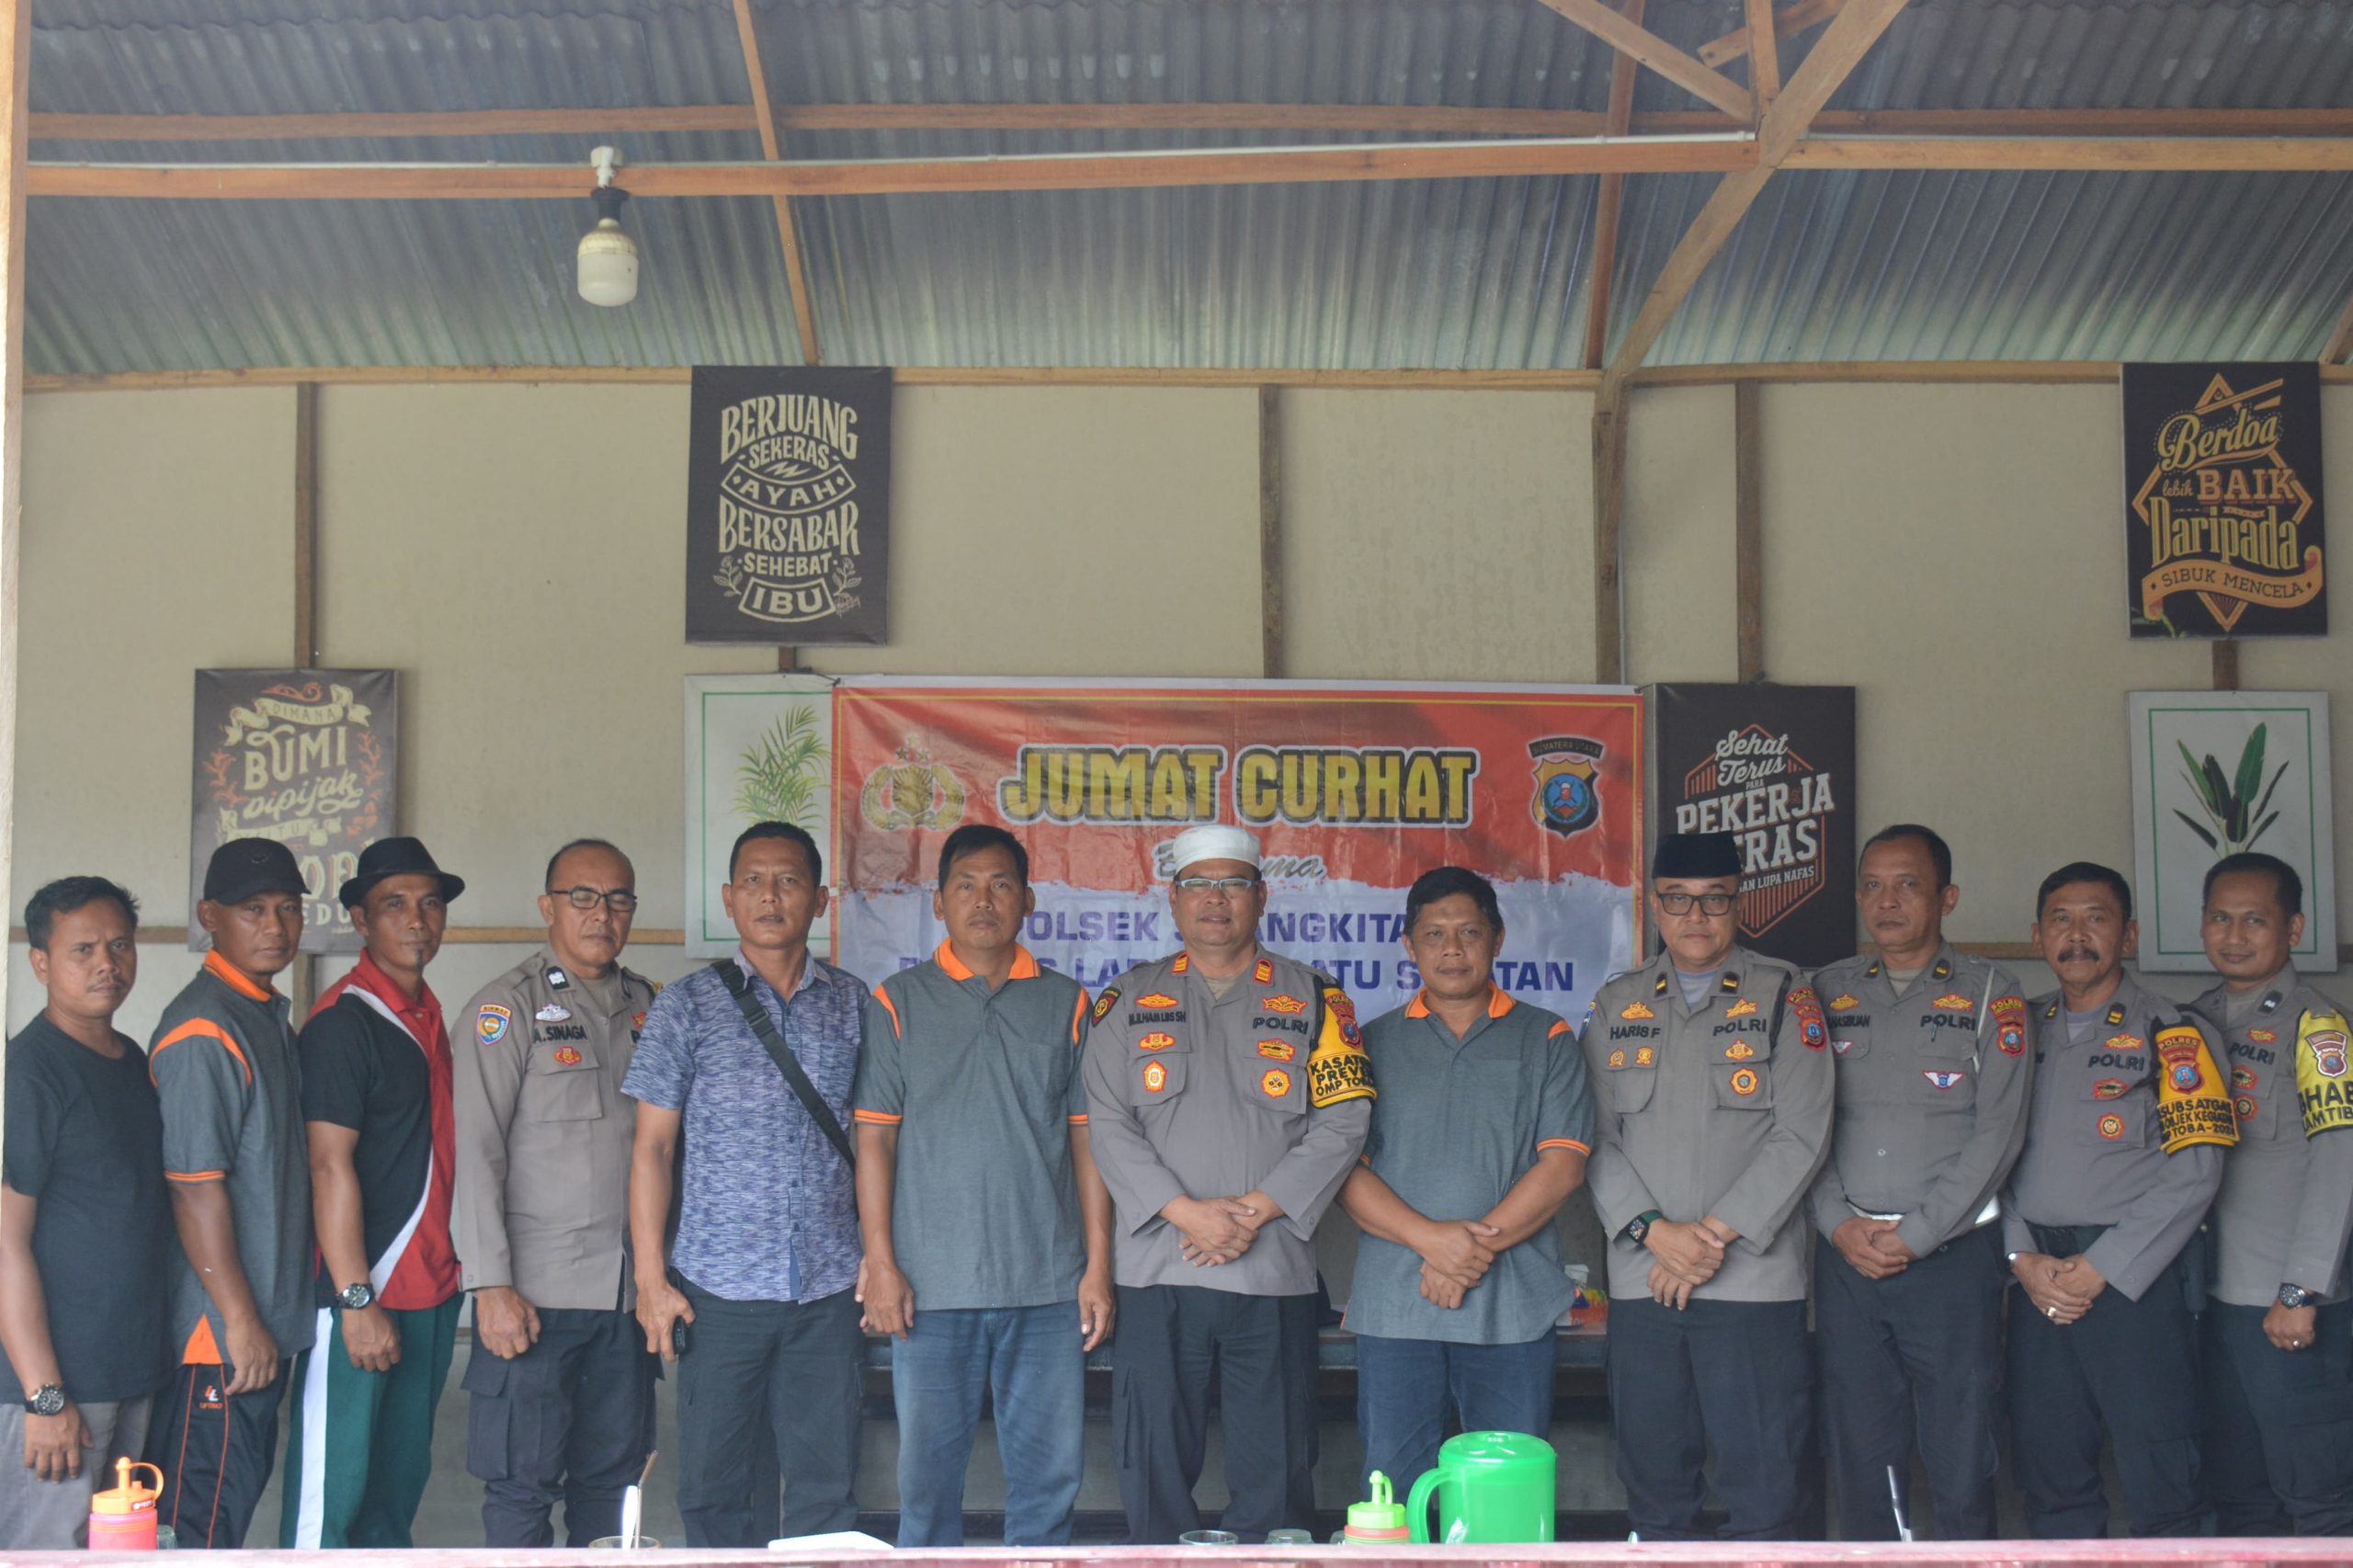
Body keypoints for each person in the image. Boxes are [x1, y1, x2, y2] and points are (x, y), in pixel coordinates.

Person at [1082, 824, 1375, 1543]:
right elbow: (1105, 1124)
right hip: (1157, 1269)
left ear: (1261, 896)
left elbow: (1345, 1120)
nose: (1216, 899)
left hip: (1270, 1269)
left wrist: (1251, 1212)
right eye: (1199, 885)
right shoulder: (1127, 999)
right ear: (1174, 898)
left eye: (1233, 884)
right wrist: (1186, 1213)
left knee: (1277, 1465)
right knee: (1152, 1460)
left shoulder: (1316, 998)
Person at [853, 824, 1116, 1547]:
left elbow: (1087, 1140)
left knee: (1049, 1485)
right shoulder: (898, 1001)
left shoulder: (1067, 1003)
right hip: (930, 1287)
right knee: (927, 1489)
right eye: (965, 885)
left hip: (1048, 1285)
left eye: (1001, 884)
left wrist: (1097, 1268)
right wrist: (881, 1262)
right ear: (939, 902)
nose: (983, 900)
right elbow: (875, 1138)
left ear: (1028, 900)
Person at [625, 821, 875, 1548]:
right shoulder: (686, 1005)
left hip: (829, 1289)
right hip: (718, 1292)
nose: (771, 896)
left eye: (789, 881)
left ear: (820, 900)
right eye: (754, 881)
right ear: (729, 899)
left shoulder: (854, 1004)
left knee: (827, 1488)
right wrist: (651, 1281)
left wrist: (879, 1254)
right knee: (714, 1489)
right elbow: (652, 1149)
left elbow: (877, 1140)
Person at [1580, 830, 1833, 1541]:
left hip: (1752, 1284)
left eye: (1714, 899)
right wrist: (1657, 1234)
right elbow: (1592, 1137)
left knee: (1766, 1490)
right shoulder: (1617, 1003)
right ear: (1655, 906)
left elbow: (1803, 1134)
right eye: (1679, 900)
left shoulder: (1785, 995)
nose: (1696, 916)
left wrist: (1708, 1239)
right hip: (1645, 1281)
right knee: (1655, 1488)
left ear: (1739, 903)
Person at [1805, 824, 2032, 1540]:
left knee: (1962, 1452)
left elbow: (2000, 1133)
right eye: (1872, 886)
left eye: (1908, 885)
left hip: (1950, 1262)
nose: (1887, 901)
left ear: (1947, 898)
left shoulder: (1992, 992)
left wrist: (1920, 1233)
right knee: (1860, 1450)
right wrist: (1836, 1223)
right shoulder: (1825, 991)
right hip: (1848, 1258)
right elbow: (1802, 1125)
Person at [1338, 865, 1591, 1493]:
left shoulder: (1546, 1036)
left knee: (1505, 1492)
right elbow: (1343, 1171)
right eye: (1434, 934)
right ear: (1409, 945)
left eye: (1469, 932)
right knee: (1393, 1491)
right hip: (1397, 1308)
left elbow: (1562, 1167)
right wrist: (1433, 1242)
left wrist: (1462, 1255)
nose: (1452, 949)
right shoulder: (1368, 1044)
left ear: (1497, 939)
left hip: (1513, 1307)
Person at [2004, 861, 2233, 1539]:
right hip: (2037, 1276)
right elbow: (1986, 1154)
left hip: (2136, 1278)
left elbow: (2198, 1171)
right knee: (2049, 1467)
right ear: (2038, 935)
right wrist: (2019, 1255)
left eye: (2096, 919)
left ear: (2128, 935)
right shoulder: (2015, 1030)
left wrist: (2102, 1266)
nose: (2077, 936)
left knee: (2163, 1468)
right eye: (2061, 920)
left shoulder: (2175, 1032)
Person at [453, 838, 661, 1547]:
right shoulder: (505, 1010)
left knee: (613, 1489)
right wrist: (489, 1286)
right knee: (522, 1488)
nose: (602, 913)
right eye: (583, 897)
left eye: (618, 899)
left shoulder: (648, 1006)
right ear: (548, 907)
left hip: (625, 1297)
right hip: (533, 1298)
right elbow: (476, 1153)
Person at [281, 838, 467, 1548]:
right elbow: (328, 1167)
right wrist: (356, 1300)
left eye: (430, 903)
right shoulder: (343, 1023)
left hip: (431, 1289)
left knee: (393, 1499)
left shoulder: (426, 1012)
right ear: (361, 920)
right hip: (366, 1293)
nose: (417, 919)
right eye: (395, 905)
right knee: (330, 1503)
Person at [143, 837, 314, 1549]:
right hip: (218, 1338)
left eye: (288, 908)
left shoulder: (262, 1013)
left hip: (257, 1327)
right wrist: (239, 1322)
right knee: (197, 1527)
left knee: (226, 1512)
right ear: (208, 916)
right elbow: (193, 1192)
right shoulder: (203, 1028)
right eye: (253, 910)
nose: (275, 926)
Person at [0, 878, 170, 1548]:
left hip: (131, 1365)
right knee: (47, 1551)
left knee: (121, 1549)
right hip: (58, 1387)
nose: (108, 964)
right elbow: (5, 1243)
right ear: (40, 963)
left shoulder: (131, 1061)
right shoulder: (27, 1073)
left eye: (120, 946)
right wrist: (44, 1396)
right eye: (84, 950)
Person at [2188, 851, 2353, 1535]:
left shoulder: (2318, 1028)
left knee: (2316, 1497)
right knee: (2237, 1494)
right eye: (2220, 918)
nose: (2235, 935)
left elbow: (2340, 1164)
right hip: (2207, 1298)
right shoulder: (2188, 1024)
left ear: (2294, 928)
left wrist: (2299, 1290)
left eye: (2255, 920)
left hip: (2285, 1304)